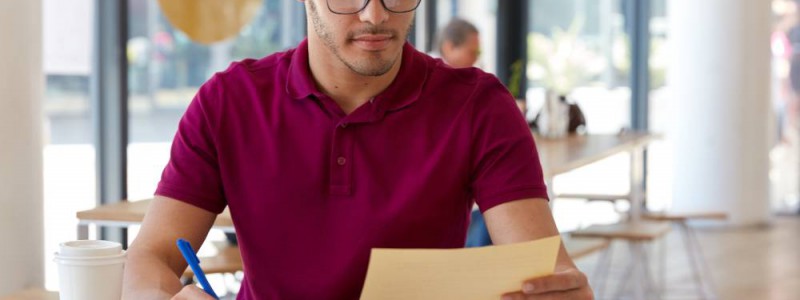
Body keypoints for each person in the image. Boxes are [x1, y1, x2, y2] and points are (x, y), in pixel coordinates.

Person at [122, 0, 592, 299]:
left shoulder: (479, 105)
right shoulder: (229, 101)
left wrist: (559, 289)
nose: (376, 15)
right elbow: (152, 257)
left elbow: (544, 266)